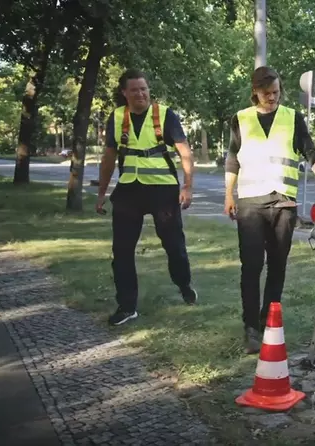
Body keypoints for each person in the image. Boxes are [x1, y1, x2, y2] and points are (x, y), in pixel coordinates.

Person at [224, 66, 315, 354]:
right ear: (255, 92)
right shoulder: (241, 119)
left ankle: (268, 320)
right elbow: (233, 159)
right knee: (251, 267)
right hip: (250, 204)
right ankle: (250, 328)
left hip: (284, 203)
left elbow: (310, 150)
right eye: (266, 93)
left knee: (278, 266)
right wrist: (228, 194)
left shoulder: (292, 118)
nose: (272, 98)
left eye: (276, 93)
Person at [96, 68, 198, 326]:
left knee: (173, 244)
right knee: (121, 250)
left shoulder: (164, 115)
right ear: (125, 93)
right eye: (134, 90)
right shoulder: (118, 117)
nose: (140, 93)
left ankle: (184, 283)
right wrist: (102, 193)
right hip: (129, 190)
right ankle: (127, 305)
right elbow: (108, 158)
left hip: (163, 190)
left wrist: (187, 187)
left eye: (144, 89)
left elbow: (185, 152)